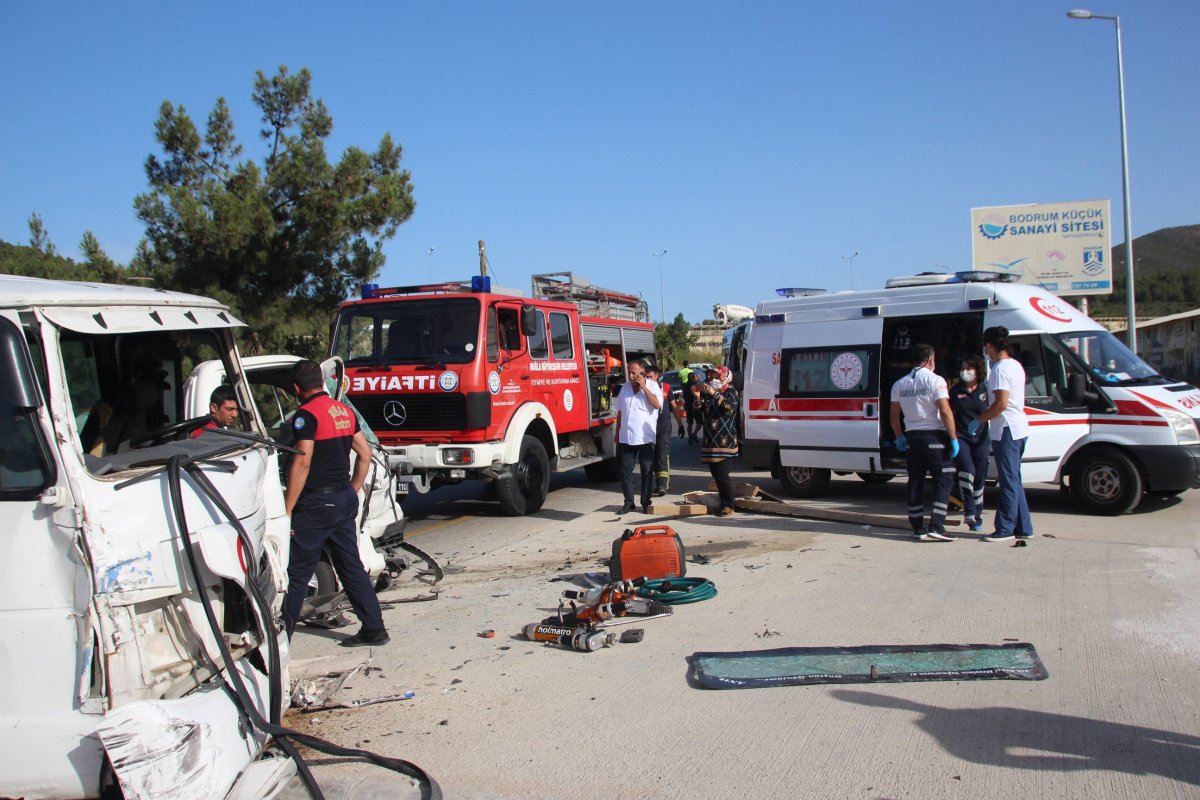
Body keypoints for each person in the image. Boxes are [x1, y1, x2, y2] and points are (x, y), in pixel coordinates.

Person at [281, 360, 389, 646]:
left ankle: (279, 644)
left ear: (296, 388)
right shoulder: (344, 411)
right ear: (321, 380)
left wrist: (287, 509)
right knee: (350, 565)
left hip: (317, 503)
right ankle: (374, 628)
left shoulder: (305, 416)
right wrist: (352, 489)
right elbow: (365, 454)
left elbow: (301, 463)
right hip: (342, 498)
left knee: (298, 574)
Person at [889, 343, 959, 542]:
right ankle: (937, 525)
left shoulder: (900, 384)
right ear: (930, 360)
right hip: (934, 436)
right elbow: (945, 411)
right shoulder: (935, 381)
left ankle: (918, 527)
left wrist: (899, 437)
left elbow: (893, 415)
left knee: (915, 481)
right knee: (945, 479)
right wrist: (953, 438)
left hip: (912, 438)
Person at [972, 326, 1034, 543]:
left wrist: (979, 419)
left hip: (1006, 428)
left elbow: (1000, 404)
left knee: (1008, 481)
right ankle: (1024, 526)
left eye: (985, 348)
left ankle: (1005, 527)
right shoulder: (1016, 365)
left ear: (989, 345)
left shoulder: (999, 369)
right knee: (1015, 480)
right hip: (1018, 427)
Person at [614, 358, 662, 514]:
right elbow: (620, 411)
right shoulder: (625, 388)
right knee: (625, 470)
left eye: (634, 373)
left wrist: (644, 388)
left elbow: (657, 405)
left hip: (646, 438)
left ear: (643, 373)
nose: (631, 376)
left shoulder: (653, 385)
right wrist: (617, 432)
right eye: (629, 372)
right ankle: (629, 502)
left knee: (646, 472)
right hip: (626, 437)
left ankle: (645, 501)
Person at [950, 354, 990, 533]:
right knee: (968, 472)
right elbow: (947, 413)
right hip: (962, 437)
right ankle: (969, 511)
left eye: (969, 368)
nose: (965, 372)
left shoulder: (985, 389)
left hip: (981, 437)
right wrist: (951, 438)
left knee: (980, 475)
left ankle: (977, 516)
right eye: (963, 368)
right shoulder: (955, 390)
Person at [695, 365, 740, 516]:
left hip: (725, 442)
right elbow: (701, 411)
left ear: (725, 377)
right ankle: (723, 501)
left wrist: (713, 393)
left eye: (718, 376)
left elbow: (728, 407)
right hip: (710, 442)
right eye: (713, 376)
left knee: (722, 474)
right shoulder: (709, 393)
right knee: (716, 475)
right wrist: (697, 397)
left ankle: (729, 504)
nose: (714, 379)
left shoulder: (731, 392)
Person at [646, 364, 672, 496]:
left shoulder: (666, 388)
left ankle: (662, 485)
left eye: (650, 377)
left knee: (662, 454)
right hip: (649, 427)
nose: (648, 379)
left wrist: (681, 424)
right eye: (646, 377)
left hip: (663, 425)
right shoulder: (643, 389)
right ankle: (652, 484)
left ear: (657, 376)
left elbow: (673, 407)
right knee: (650, 456)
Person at [682, 370, 702, 443]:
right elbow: (699, 396)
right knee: (700, 422)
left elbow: (684, 396)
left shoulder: (685, 386)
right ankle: (694, 434)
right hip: (695, 406)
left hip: (688, 406)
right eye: (695, 376)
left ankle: (691, 437)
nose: (696, 377)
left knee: (690, 423)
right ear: (693, 377)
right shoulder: (696, 385)